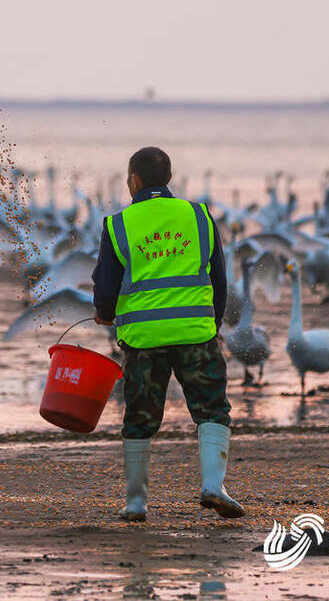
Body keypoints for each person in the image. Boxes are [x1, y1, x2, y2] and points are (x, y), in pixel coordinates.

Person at [92, 146, 244, 520]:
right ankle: (213, 486)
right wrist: (214, 324)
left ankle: (136, 503)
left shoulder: (118, 224)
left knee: (140, 417)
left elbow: (105, 288)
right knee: (211, 410)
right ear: (169, 179)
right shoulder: (199, 216)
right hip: (196, 332)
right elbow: (219, 278)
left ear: (134, 180)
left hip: (144, 340)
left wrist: (104, 314)